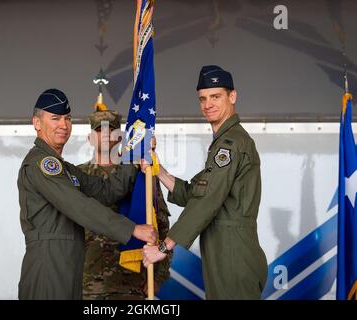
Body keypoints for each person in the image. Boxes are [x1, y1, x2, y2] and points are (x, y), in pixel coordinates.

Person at [17, 88, 157, 300]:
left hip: (69, 265)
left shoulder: (65, 169)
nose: (63, 125)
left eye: (67, 118)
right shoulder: (41, 163)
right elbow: (79, 205)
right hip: (49, 264)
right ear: (37, 123)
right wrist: (132, 229)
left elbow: (106, 191)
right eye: (55, 118)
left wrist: (133, 156)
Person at [142, 66, 268, 300]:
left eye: (215, 96)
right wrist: (158, 171)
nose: (207, 104)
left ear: (232, 96)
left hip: (232, 251)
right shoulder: (224, 142)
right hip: (224, 248)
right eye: (203, 98)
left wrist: (163, 248)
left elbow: (207, 201)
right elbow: (195, 193)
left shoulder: (230, 144)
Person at [79, 98, 172, 300]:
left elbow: (161, 225)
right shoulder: (77, 177)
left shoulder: (141, 176)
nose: (104, 135)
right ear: (89, 138)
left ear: (120, 137)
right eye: (98, 130)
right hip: (87, 286)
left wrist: (159, 277)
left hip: (131, 285)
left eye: (110, 130)